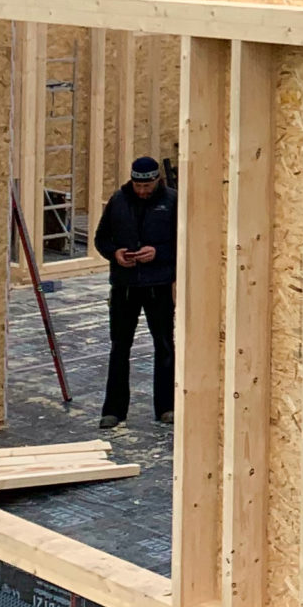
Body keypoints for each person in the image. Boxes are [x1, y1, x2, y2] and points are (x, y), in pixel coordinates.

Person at [93, 156, 177, 430]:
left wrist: (158, 253)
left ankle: (167, 406)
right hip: (125, 286)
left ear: (157, 180)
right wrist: (115, 253)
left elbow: (185, 242)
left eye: (147, 186)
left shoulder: (172, 202)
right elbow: (101, 238)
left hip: (158, 285)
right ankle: (114, 410)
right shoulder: (118, 201)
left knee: (164, 345)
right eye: (138, 186)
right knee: (119, 347)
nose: (142, 191)